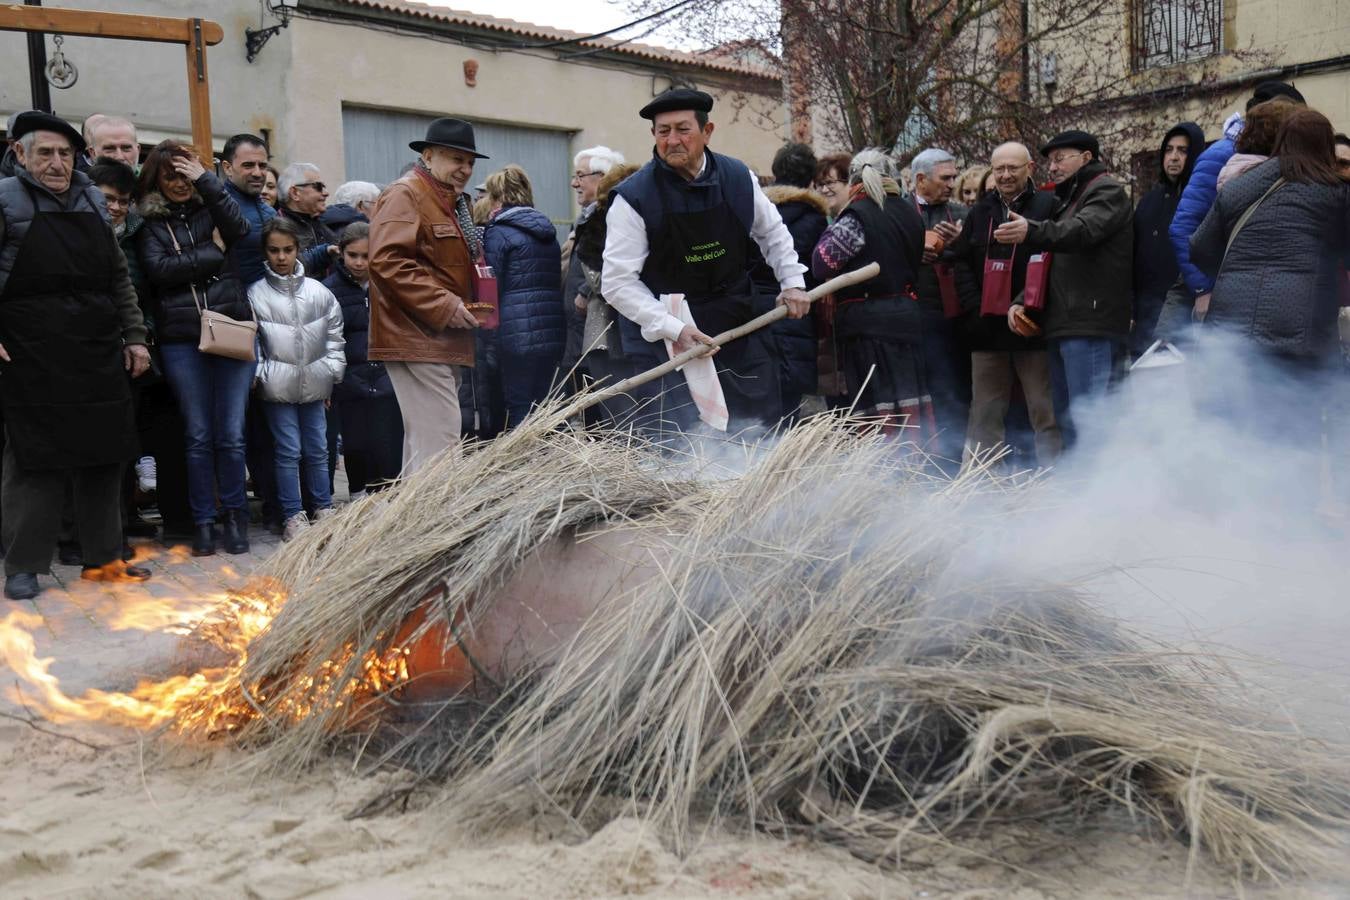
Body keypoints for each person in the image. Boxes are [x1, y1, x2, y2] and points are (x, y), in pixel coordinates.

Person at [0, 112, 152, 600]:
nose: (57, 162)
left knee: (104, 455)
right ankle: (24, 565)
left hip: (94, 347)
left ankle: (104, 559)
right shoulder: (4, 199)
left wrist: (134, 336)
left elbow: (117, 278)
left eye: (65, 153)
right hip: (29, 349)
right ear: (20, 154)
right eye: (45, 152)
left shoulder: (91, 196)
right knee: (33, 459)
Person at [601, 88, 811, 439]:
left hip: (737, 321)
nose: (672, 140)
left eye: (683, 129)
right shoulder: (634, 197)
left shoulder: (738, 178)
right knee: (679, 439)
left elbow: (773, 233)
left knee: (757, 430)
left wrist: (792, 283)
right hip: (668, 337)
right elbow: (617, 283)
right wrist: (673, 328)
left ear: (707, 131)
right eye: (663, 131)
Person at [1190, 109, 1350, 508]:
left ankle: (1235, 522)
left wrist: (1236, 271)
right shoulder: (1335, 193)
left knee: (1237, 431)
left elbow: (1199, 248)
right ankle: (1289, 527)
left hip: (1230, 330)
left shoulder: (1241, 186)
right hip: (1298, 333)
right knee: (1294, 431)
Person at [134, 139, 254, 556]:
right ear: (155, 178)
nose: (179, 182)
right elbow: (160, 271)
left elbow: (240, 230)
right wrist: (214, 252)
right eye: (170, 174)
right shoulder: (146, 221)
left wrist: (207, 178)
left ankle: (235, 517)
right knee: (199, 434)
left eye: (185, 173)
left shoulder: (213, 204)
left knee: (232, 435)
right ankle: (204, 521)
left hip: (231, 328)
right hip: (182, 336)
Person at [996, 129, 1132, 452]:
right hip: (1065, 324)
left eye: (1059, 159)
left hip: (1090, 324)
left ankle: (1103, 495)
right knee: (1071, 422)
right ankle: (1080, 496)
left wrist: (1032, 230)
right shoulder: (1069, 199)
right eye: (1049, 162)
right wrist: (1022, 301)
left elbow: (1080, 232)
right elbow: (1049, 258)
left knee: (1092, 425)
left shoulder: (1107, 191)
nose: (1052, 168)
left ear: (1086, 158)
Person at [367, 117, 484, 473]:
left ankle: (411, 525)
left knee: (428, 445)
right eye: (455, 159)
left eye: (469, 162)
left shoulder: (444, 198)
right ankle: (439, 526)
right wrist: (446, 305)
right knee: (441, 448)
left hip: (435, 337)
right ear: (429, 155)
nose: (464, 169)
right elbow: (387, 260)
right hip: (418, 336)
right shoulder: (408, 193)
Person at [1159, 81, 1306, 341]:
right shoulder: (1223, 154)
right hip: (1205, 284)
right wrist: (1203, 289)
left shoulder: (1278, 158)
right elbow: (1183, 227)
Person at [953, 142, 1061, 466]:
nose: (1005, 175)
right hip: (986, 331)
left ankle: (1054, 479)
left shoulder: (1048, 205)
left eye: (1012, 167)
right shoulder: (980, 211)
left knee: (1044, 410)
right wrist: (974, 308)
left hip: (1033, 327)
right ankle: (981, 486)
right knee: (984, 414)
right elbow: (960, 263)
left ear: (1030, 167)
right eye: (999, 168)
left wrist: (1031, 307)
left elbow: (1055, 260)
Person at [811, 149, 930, 437]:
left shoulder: (857, 215)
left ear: (853, 180)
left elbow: (821, 262)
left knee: (875, 415)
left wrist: (834, 222)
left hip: (866, 330)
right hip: (906, 321)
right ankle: (915, 474)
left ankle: (878, 477)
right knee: (908, 414)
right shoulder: (910, 212)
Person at [249, 217, 345, 541]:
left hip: (316, 384)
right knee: (288, 450)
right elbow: (254, 342)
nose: (281, 257)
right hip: (277, 387)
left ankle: (324, 507)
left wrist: (332, 374)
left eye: (288, 250)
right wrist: (262, 375)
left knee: (318, 447)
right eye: (274, 250)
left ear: (298, 250)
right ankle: (292, 514)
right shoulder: (256, 294)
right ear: (265, 252)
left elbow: (335, 336)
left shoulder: (319, 292)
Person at [480, 164, 564, 428]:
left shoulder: (498, 231)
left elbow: (491, 285)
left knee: (518, 403)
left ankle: (525, 464)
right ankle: (548, 461)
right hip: (551, 329)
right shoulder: (548, 231)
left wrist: (488, 337)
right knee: (543, 402)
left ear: (497, 197)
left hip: (515, 333)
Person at [907, 147, 975, 468]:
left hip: (954, 323)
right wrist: (913, 253)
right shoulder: (901, 214)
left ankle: (949, 465)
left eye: (954, 177)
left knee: (954, 397)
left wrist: (960, 245)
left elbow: (978, 261)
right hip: (912, 321)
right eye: (945, 178)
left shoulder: (963, 215)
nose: (952, 184)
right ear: (920, 180)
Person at [323, 222, 401, 497]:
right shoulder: (329, 290)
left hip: (386, 376)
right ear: (341, 253)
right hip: (349, 380)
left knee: (387, 440)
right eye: (352, 255)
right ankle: (357, 492)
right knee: (355, 442)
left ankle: (388, 494)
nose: (358, 263)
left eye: (366, 256)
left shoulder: (389, 285)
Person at [751, 141, 827, 423]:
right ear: (811, 178)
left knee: (758, 413)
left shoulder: (753, 213)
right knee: (790, 411)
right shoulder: (815, 218)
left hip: (754, 314)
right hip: (796, 315)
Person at [571, 163, 642, 427]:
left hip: (641, 333)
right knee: (621, 418)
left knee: (645, 416)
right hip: (608, 334)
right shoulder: (596, 225)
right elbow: (602, 281)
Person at [1130, 121, 1204, 356]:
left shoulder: (1203, 198)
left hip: (1187, 315)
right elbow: (1133, 260)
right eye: (1169, 149)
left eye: (1182, 151)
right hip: (1146, 317)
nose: (1173, 157)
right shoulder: (1148, 202)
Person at [561, 145, 626, 378]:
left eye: (580, 176)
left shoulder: (611, 217)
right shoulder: (585, 218)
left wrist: (585, 291)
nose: (574, 183)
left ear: (603, 178)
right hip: (582, 334)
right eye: (574, 176)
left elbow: (608, 265)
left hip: (605, 335)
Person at [277, 162, 336, 277]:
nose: (326, 193)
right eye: (318, 187)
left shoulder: (321, 224)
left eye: (324, 187)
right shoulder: (278, 228)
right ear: (295, 193)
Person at [814, 152, 852, 219]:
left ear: (848, 182)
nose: (824, 190)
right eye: (820, 184)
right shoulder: (822, 220)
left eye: (829, 183)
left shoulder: (858, 219)